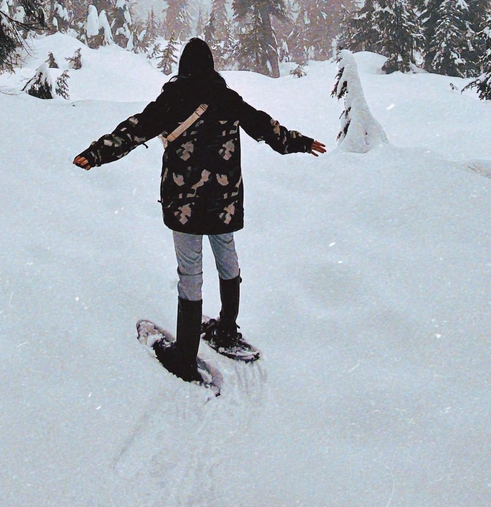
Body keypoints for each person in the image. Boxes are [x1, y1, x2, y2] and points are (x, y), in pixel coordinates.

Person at [73, 37, 326, 383]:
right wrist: (299, 141)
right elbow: (265, 128)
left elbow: (135, 130)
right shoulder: (227, 99)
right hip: (223, 203)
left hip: (185, 206)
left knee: (190, 272)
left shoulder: (171, 100)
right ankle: (226, 329)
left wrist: (97, 153)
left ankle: (185, 356)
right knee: (227, 258)